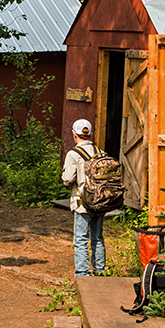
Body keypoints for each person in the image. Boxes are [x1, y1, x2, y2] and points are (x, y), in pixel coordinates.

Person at [62, 118, 107, 276]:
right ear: (90, 134)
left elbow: (68, 178)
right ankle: (100, 271)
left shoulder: (73, 154)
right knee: (97, 237)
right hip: (100, 201)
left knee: (81, 239)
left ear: (75, 135)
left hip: (82, 203)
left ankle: (82, 273)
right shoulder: (100, 152)